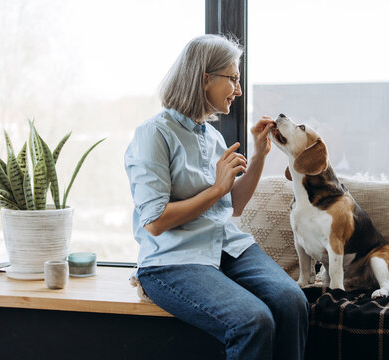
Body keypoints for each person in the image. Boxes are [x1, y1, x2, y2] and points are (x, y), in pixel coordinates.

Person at [124, 34, 309, 360]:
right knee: (253, 321)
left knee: (293, 302)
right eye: (233, 79)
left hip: (226, 245)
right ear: (205, 78)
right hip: (172, 261)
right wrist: (217, 189)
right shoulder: (153, 134)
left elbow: (232, 205)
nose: (238, 89)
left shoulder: (211, 135)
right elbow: (154, 222)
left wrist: (259, 158)